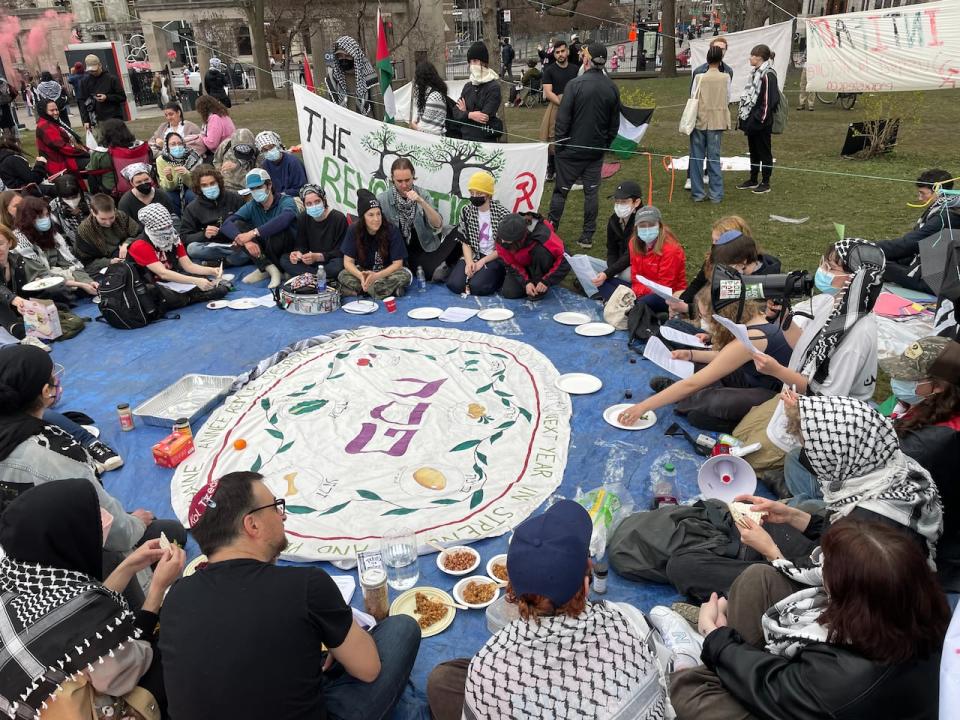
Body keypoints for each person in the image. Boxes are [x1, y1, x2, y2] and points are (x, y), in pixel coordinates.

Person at [159, 471, 421, 720]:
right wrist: (338, 630)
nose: (282, 517)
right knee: (400, 629)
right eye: (275, 507)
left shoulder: (176, 596)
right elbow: (368, 669)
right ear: (252, 524)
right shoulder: (306, 585)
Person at [670, 517, 949, 720]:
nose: (820, 569)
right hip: (824, 693)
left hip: (821, 702)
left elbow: (776, 685)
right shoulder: (916, 605)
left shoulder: (844, 678)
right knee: (760, 578)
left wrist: (716, 638)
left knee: (689, 690)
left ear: (851, 598)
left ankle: (698, 657)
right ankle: (727, 661)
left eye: (828, 568)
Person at [427, 500, 667, 720]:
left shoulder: (488, 668)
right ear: (585, 583)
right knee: (446, 679)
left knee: (444, 682)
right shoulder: (629, 620)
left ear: (510, 591)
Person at [0, 479, 187, 719]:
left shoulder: (21, 576)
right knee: (172, 655)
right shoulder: (80, 620)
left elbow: (82, 609)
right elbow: (127, 669)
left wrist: (128, 566)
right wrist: (158, 590)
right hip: (87, 698)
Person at [0, 344, 188, 551]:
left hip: (16, 540)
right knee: (172, 532)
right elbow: (118, 535)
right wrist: (135, 522)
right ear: (46, 391)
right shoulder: (56, 454)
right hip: (57, 555)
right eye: (54, 377)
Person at [738, 239, 885, 472]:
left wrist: (776, 370)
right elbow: (806, 347)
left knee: (744, 463)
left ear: (856, 278)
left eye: (831, 268)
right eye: (824, 263)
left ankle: (787, 474)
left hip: (811, 422)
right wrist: (784, 318)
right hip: (792, 399)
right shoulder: (834, 303)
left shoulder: (857, 335)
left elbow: (826, 397)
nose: (822, 271)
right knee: (738, 437)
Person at [618, 266, 791, 432]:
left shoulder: (751, 338)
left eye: (705, 317)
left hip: (772, 395)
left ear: (722, 314)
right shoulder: (752, 320)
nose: (704, 322)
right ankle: (687, 398)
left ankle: (692, 401)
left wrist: (642, 407)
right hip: (752, 376)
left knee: (708, 405)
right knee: (700, 369)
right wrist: (691, 354)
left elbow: (694, 382)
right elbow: (723, 357)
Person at [883, 336, 960, 590]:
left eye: (910, 378)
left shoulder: (936, 442)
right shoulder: (930, 406)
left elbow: (877, 469)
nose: (899, 381)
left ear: (937, 387)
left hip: (931, 552)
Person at [549, 42, 621, 249]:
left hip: (573, 150)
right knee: (591, 193)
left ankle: (553, 228)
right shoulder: (611, 87)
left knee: (561, 191)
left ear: (587, 59)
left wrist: (560, 145)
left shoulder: (575, 85)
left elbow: (563, 119)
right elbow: (613, 125)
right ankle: (586, 235)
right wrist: (604, 145)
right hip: (593, 151)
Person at [673, 216, 781, 318]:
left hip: (721, 322)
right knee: (677, 297)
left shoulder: (761, 278)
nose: (713, 246)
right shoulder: (715, 258)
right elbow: (698, 284)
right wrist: (682, 303)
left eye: (717, 241)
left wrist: (689, 309)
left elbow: (734, 311)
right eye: (713, 240)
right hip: (708, 313)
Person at [877, 169, 960, 295]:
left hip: (934, 281)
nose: (920, 198)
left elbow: (909, 244)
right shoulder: (945, 207)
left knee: (873, 262)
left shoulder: (945, 216)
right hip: (929, 265)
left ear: (938, 192)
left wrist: (867, 248)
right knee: (878, 258)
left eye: (923, 193)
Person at [129, 203, 227, 308]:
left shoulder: (173, 236)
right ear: (152, 228)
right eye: (162, 228)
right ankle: (192, 297)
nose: (167, 229)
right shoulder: (140, 245)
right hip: (152, 284)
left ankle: (191, 296)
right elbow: (163, 274)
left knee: (213, 285)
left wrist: (211, 270)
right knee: (163, 296)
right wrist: (195, 281)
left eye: (168, 225)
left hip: (171, 280)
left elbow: (188, 265)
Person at [377, 158, 454, 281]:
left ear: (413, 176)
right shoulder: (383, 199)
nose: (404, 185)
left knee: (429, 274)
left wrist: (421, 201)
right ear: (392, 179)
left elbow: (437, 224)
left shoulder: (423, 194)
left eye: (407, 180)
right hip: (396, 250)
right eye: (399, 181)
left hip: (422, 246)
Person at [221, 168, 297, 288]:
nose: (256, 191)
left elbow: (285, 218)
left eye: (259, 187)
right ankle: (269, 269)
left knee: (275, 229)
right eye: (252, 189)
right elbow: (226, 224)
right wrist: (246, 241)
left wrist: (253, 233)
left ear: (269, 185)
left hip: (287, 249)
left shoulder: (285, 200)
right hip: (266, 249)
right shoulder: (252, 205)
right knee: (238, 226)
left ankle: (276, 269)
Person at [12, 195, 98, 297]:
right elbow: (41, 276)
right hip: (34, 284)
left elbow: (69, 263)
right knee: (58, 290)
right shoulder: (20, 243)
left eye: (47, 215)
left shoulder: (52, 235)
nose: (45, 219)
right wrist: (80, 284)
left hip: (56, 275)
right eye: (40, 217)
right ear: (27, 219)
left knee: (91, 277)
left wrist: (87, 281)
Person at [339, 189, 412, 299]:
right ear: (363, 217)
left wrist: (376, 276)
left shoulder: (392, 230)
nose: (376, 219)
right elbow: (348, 262)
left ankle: (363, 291)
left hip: (387, 272)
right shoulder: (353, 229)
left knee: (405, 275)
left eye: (379, 214)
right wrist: (361, 276)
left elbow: (398, 264)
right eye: (371, 215)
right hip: (365, 272)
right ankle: (384, 291)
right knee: (343, 275)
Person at [446, 171, 508, 296]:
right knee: (455, 285)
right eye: (472, 193)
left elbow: (503, 248)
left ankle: (497, 277)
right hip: (474, 253)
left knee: (478, 287)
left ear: (488, 194)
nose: (474, 196)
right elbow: (465, 241)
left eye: (479, 193)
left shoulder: (502, 214)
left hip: (493, 256)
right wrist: (469, 262)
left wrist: (482, 262)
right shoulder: (467, 211)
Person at [587, 180, 643, 301]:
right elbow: (611, 250)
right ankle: (599, 292)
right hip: (617, 267)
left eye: (624, 202)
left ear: (637, 202)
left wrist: (608, 273)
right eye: (617, 202)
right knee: (582, 260)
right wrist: (611, 271)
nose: (619, 205)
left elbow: (630, 256)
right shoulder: (614, 220)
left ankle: (607, 290)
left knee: (626, 275)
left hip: (634, 268)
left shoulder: (643, 222)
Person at [690, 45, 732, 203]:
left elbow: (693, 96)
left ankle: (698, 193)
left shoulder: (699, 77)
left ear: (707, 59)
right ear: (721, 59)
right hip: (717, 120)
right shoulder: (726, 77)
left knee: (696, 158)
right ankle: (716, 194)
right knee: (714, 158)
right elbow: (728, 98)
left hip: (700, 119)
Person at [182, 164, 247, 265]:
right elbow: (185, 237)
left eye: (212, 183)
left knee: (251, 249)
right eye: (204, 185)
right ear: (198, 188)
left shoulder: (235, 198)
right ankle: (228, 261)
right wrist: (203, 235)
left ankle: (219, 263)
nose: (209, 187)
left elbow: (248, 222)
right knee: (192, 249)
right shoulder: (192, 208)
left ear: (219, 182)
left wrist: (240, 238)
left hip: (236, 243)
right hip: (211, 246)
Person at [736, 44, 780, 194]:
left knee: (764, 152)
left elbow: (769, 101)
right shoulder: (755, 73)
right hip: (751, 120)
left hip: (762, 122)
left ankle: (766, 181)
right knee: (753, 151)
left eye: (752, 55)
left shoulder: (768, 75)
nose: (750, 58)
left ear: (759, 57)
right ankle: (753, 179)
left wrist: (759, 119)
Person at [626, 205, 687, 312]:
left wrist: (637, 294)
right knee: (610, 285)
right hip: (643, 290)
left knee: (641, 303)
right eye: (642, 226)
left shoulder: (671, 249)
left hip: (668, 295)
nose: (647, 229)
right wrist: (636, 292)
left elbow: (665, 287)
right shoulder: (633, 243)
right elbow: (635, 277)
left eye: (651, 225)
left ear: (659, 225)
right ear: (636, 228)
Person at [496, 212, 569, 300]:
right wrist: (526, 282)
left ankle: (539, 284)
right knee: (509, 292)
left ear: (518, 239)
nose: (502, 241)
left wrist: (546, 280)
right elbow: (510, 263)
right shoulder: (502, 238)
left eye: (507, 240)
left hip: (541, 265)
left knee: (541, 252)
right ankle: (531, 285)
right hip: (522, 267)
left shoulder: (542, 234)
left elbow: (565, 257)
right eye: (502, 238)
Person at [281, 184, 347, 279]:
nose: (314, 206)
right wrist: (297, 253)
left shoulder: (338, 218)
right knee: (285, 259)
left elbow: (341, 252)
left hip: (330, 261)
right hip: (311, 262)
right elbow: (301, 245)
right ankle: (319, 276)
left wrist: (318, 257)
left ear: (324, 200)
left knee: (339, 264)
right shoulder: (303, 217)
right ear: (304, 205)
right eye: (309, 204)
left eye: (317, 201)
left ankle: (307, 276)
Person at [539, 39, 579, 182]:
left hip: (574, 107)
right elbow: (548, 92)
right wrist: (563, 104)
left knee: (573, 136)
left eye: (562, 51)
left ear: (567, 51)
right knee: (552, 138)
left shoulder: (575, 69)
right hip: (556, 107)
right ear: (554, 54)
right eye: (557, 52)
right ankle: (551, 170)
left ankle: (570, 169)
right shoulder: (549, 71)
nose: (560, 54)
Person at [85, 117, 154, 196]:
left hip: (115, 189)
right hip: (144, 184)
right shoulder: (142, 147)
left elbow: (91, 169)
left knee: (92, 176)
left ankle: (96, 199)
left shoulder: (102, 153)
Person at [75, 193, 138, 274]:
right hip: (104, 264)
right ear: (93, 212)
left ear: (115, 210)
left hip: (126, 252)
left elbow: (138, 233)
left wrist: (126, 243)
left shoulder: (121, 216)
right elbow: (86, 261)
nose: (108, 223)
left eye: (111, 217)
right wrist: (109, 262)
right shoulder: (84, 231)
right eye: (103, 219)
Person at [455, 42, 502, 143]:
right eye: (470, 62)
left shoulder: (493, 87)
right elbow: (456, 112)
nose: (472, 65)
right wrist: (469, 115)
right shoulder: (468, 86)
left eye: (475, 61)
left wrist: (464, 111)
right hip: (465, 140)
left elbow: (484, 117)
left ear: (484, 62)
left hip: (485, 141)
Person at [325, 35, 381, 119]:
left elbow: (378, 105)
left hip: (365, 122)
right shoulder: (333, 77)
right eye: (340, 56)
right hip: (343, 123)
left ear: (355, 56)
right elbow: (329, 105)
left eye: (347, 56)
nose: (343, 59)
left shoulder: (369, 75)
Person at [35, 99, 88, 177]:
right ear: (43, 111)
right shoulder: (45, 125)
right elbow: (61, 147)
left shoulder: (53, 122)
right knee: (97, 164)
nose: (56, 112)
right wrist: (84, 153)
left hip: (66, 157)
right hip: (59, 163)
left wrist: (86, 150)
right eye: (52, 110)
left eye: (56, 109)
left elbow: (71, 142)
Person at [157, 129, 202, 217]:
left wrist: (186, 174)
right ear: (167, 146)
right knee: (168, 196)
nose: (177, 146)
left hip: (192, 186)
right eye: (173, 144)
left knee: (192, 194)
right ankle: (177, 222)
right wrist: (169, 178)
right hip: (173, 189)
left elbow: (198, 184)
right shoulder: (161, 160)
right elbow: (167, 188)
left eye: (180, 143)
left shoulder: (193, 156)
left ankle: (195, 219)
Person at [78, 54, 126, 129]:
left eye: (94, 70)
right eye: (90, 71)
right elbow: (82, 102)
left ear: (100, 65)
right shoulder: (84, 82)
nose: (93, 72)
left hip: (114, 117)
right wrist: (85, 120)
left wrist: (107, 97)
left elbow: (122, 97)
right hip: (97, 120)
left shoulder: (112, 79)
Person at [255, 130, 306, 197]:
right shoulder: (265, 165)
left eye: (271, 147)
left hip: (293, 198)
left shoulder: (293, 162)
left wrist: (281, 195)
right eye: (265, 150)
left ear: (277, 146)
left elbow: (300, 188)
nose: (269, 151)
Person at [47, 173, 92, 248]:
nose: (71, 201)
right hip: (73, 246)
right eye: (67, 198)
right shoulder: (54, 207)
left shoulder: (90, 200)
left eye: (74, 197)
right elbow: (58, 234)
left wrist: (82, 215)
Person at [0, 224, 29, 339]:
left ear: (10, 243)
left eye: (0, 244)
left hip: (14, 310)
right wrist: (14, 299)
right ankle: (21, 334)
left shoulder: (18, 260)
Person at [214, 127, 258, 192]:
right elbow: (216, 161)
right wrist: (220, 169)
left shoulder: (258, 152)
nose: (243, 158)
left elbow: (258, 176)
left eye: (246, 154)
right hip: (224, 187)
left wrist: (236, 167)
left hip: (245, 188)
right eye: (240, 153)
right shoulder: (225, 145)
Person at [410, 60, 448, 136]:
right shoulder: (425, 95)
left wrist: (414, 125)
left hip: (434, 141)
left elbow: (426, 128)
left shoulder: (435, 96)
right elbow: (416, 116)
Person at [0, 75, 17, 142]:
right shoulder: (3, 81)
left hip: (1, 109)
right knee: (11, 125)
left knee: (5, 127)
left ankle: (9, 144)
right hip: (7, 105)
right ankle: (13, 142)